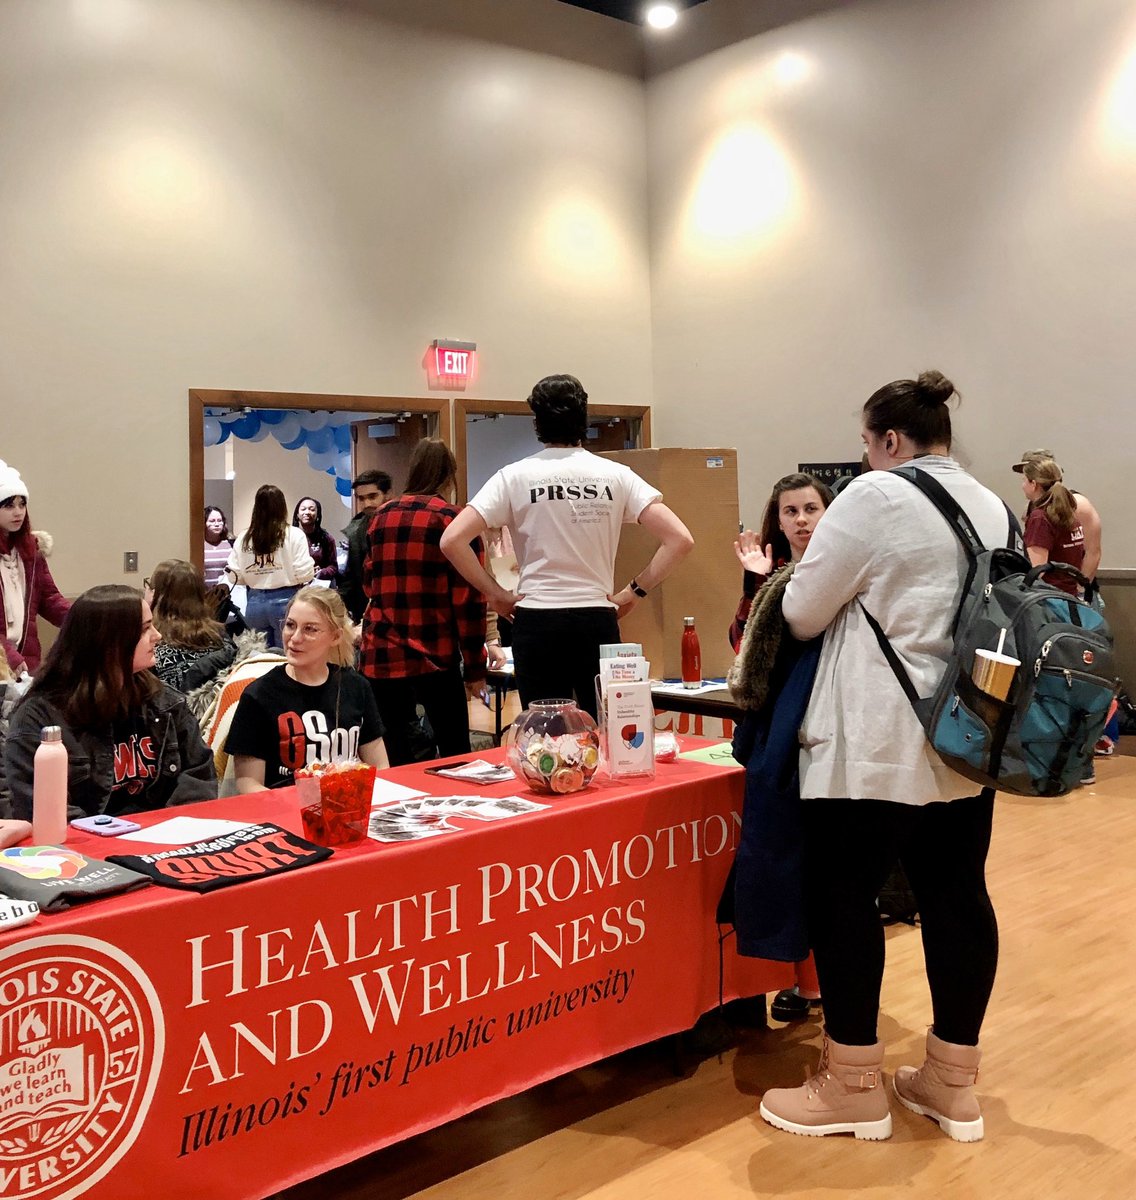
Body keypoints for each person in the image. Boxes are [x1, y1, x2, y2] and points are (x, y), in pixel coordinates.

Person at [759, 370, 1011, 1144]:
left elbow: (802, 612)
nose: (865, 456)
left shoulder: (874, 496)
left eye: (867, 443)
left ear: (890, 440)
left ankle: (852, 1085)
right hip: (966, 737)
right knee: (957, 895)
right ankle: (951, 1083)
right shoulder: (991, 502)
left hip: (874, 737)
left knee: (846, 894)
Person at [440, 374, 694, 720]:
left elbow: (451, 540)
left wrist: (494, 593)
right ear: (584, 420)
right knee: (605, 730)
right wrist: (634, 592)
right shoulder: (615, 475)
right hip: (596, 617)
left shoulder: (513, 476)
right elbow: (680, 539)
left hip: (537, 619)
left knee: (546, 736)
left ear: (536, 424)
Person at [728, 473, 833, 1024]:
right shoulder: (771, 576)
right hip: (781, 734)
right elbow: (744, 648)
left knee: (817, 869)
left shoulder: (835, 574)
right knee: (788, 864)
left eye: (810, 508)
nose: (800, 520)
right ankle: (806, 984)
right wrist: (755, 586)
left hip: (822, 734)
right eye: (789, 511)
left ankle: (821, 986)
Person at [3, 584, 216, 820]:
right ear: (111, 642)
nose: (158, 636)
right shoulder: (39, 717)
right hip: (84, 848)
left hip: (164, 839)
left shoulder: (165, 701)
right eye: (146, 629)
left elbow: (199, 776)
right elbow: (39, 809)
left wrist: (166, 829)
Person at [360, 440, 486, 764]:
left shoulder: (380, 517)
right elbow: (469, 600)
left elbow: (368, 583)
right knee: (455, 753)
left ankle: (399, 814)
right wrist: (475, 668)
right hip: (435, 653)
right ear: (449, 476)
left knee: (393, 757)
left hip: (381, 653)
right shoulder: (455, 521)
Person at [224, 587, 388, 791]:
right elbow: (248, 782)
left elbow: (380, 766)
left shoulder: (356, 687)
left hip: (347, 806)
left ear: (335, 636)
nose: (295, 638)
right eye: (290, 625)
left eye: (310, 629)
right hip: (285, 811)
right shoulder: (259, 696)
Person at [1, 460, 70, 678]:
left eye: (22, 505)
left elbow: (50, 599)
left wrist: (84, 619)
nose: (18, 512)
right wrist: (8, 654)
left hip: (27, 663)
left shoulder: (31, 551)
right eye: (9, 505)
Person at [226, 484, 315, 648]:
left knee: (260, 656)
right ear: (282, 507)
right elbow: (305, 573)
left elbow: (234, 575)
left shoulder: (244, 537)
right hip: (287, 599)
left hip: (254, 602)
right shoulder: (293, 534)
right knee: (288, 655)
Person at [147, 559, 236, 693]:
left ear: (156, 594)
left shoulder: (150, 647)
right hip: (216, 709)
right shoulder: (221, 637)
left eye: (148, 585)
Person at [1012, 449, 1101, 581]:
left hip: (1065, 591)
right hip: (1059, 590)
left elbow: (1093, 552)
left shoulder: (1077, 505)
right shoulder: (1034, 508)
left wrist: (1081, 591)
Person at [1016, 455, 1085, 596]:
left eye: (1024, 481)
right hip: (1069, 595)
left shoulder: (1040, 518)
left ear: (1033, 484)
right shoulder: (1067, 513)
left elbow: (1037, 572)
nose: (1022, 486)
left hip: (1049, 600)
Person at [340, 469, 392, 624]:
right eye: (361, 499)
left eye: (372, 496)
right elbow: (349, 578)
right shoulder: (355, 530)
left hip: (396, 607)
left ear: (388, 494)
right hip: (363, 612)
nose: (367, 504)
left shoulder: (400, 524)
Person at [292, 496, 339, 586]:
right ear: (297, 515)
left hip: (320, 586)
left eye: (311, 509)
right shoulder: (289, 538)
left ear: (318, 515)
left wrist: (322, 572)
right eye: (303, 509)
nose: (307, 512)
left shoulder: (326, 538)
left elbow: (333, 567)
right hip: (296, 586)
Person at [203, 506, 235, 588]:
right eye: (212, 521)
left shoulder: (231, 543)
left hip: (227, 594)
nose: (217, 524)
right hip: (204, 594)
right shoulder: (198, 545)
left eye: (220, 521)